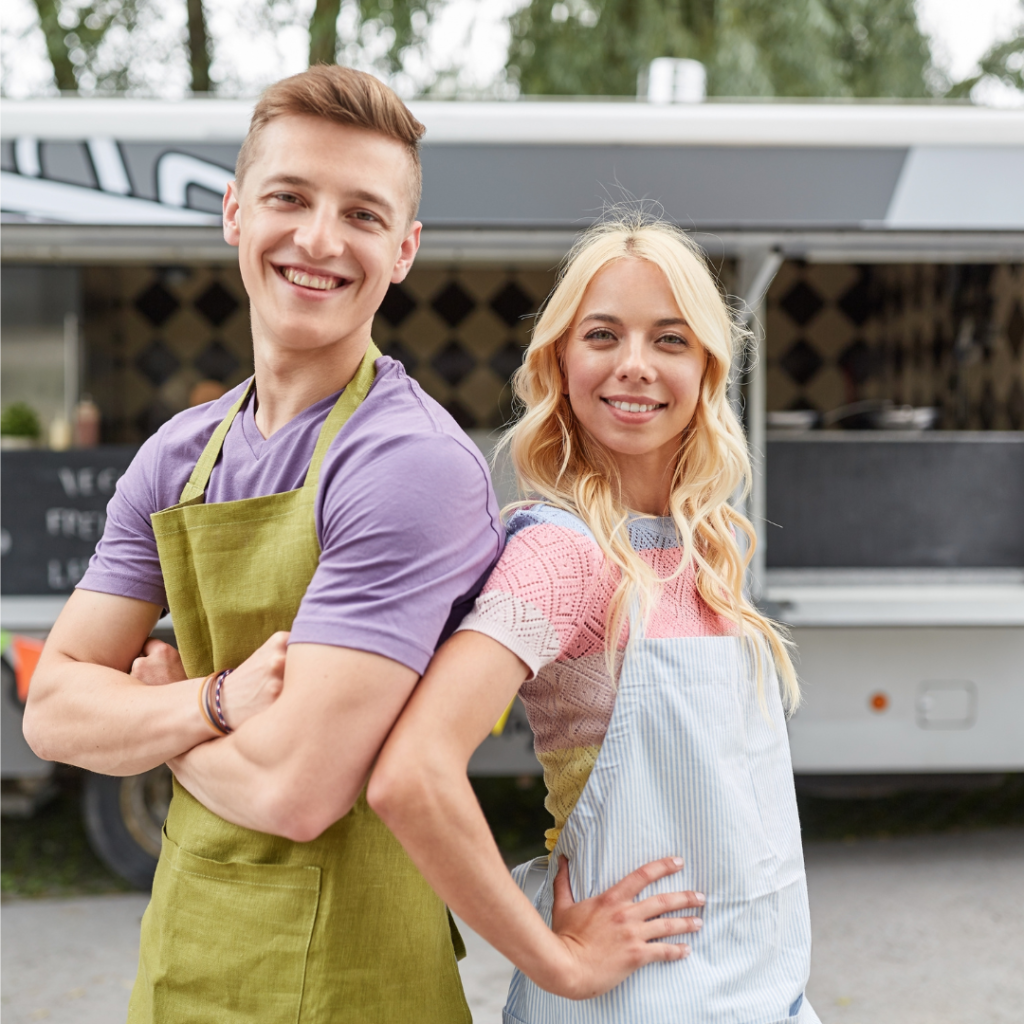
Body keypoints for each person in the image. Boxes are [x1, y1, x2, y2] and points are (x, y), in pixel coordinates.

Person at [23, 65, 506, 1023]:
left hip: (351, 983)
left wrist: (159, 717)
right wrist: (216, 702)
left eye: (363, 215)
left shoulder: (409, 464)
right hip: (187, 957)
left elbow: (296, 790)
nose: (320, 240)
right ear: (236, 213)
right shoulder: (178, 456)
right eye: (290, 197)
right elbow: (52, 707)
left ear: (403, 251)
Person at [368, 217, 821, 1023]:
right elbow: (412, 776)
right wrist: (557, 962)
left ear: (708, 367)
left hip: (760, 998)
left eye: (670, 340)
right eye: (603, 335)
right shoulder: (562, 556)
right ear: (561, 362)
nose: (635, 366)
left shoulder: (707, 549)